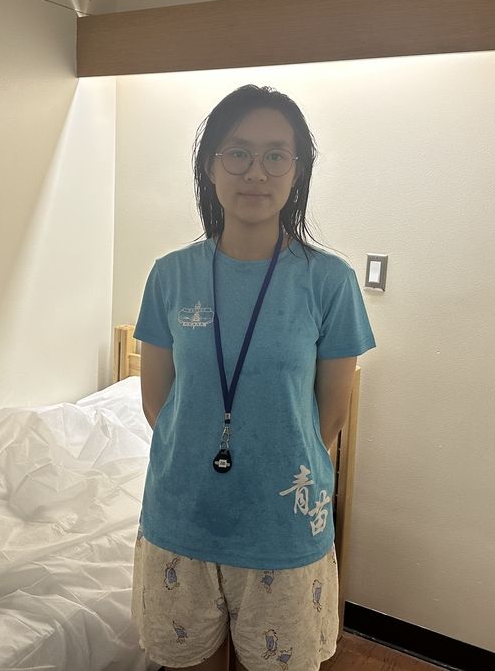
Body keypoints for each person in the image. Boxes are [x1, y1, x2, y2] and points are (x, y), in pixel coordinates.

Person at [131, 84, 376, 671]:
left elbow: (330, 417)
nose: (255, 172)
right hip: (182, 515)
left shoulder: (329, 281)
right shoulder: (170, 276)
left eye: (275, 155)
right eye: (237, 152)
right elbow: (157, 402)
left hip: (282, 524)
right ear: (209, 166)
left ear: (298, 171)